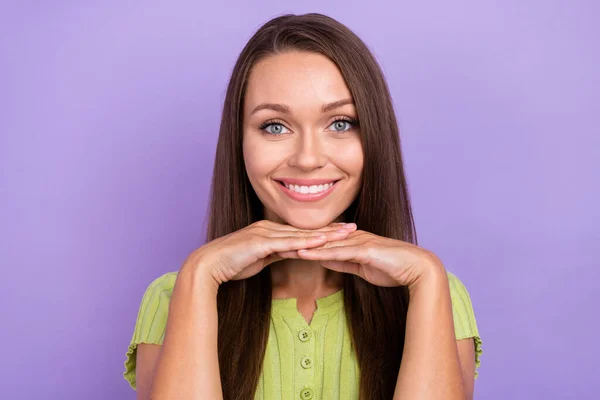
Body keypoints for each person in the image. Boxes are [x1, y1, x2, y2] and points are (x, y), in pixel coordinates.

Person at [123, 13, 482, 400]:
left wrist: (427, 278)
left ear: (374, 136)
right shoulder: (176, 296)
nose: (308, 159)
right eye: (275, 126)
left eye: (340, 123)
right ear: (239, 141)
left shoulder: (434, 291)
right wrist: (200, 274)